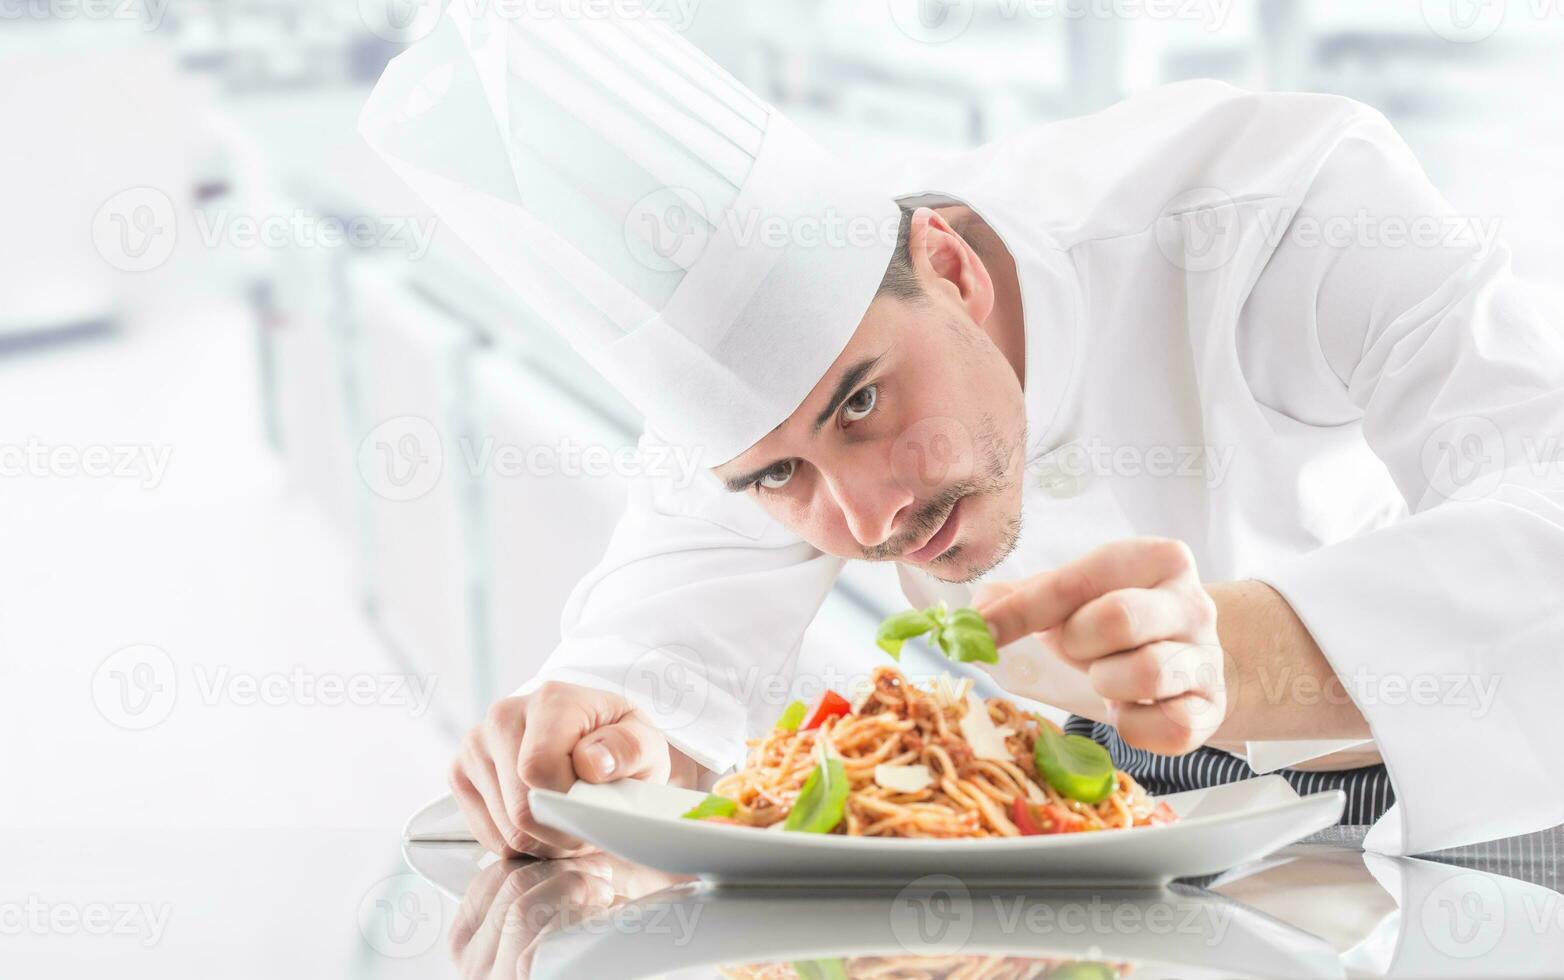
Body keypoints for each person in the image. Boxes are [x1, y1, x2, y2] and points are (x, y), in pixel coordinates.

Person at [361, 3, 1564, 861]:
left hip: (1455, 802)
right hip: (1105, 844)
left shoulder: (1284, 201)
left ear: (946, 262)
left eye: (864, 404)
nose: (868, 521)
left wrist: (1232, 653)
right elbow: (654, 676)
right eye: (782, 474)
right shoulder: (760, 407)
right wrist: (591, 736)